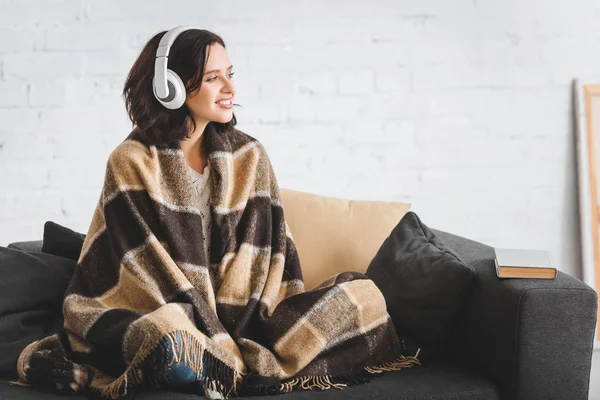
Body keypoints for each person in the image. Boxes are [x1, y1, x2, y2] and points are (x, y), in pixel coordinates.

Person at [13, 27, 420, 400]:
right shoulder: (132, 161)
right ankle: (200, 365)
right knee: (167, 331)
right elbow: (145, 269)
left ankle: (207, 368)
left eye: (230, 73)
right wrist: (203, 333)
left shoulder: (250, 156)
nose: (230, 87)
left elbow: (270, 255)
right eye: (213, 78)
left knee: (360, 296)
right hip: (162, 307)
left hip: (247, 317)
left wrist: (231, 330)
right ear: (169, 87)